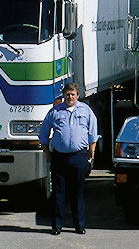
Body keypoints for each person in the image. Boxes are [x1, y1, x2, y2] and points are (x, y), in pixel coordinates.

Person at [38, 82, 98, 235]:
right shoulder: (55, 111)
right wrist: (46, 152)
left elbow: (93, 132)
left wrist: (91, 150)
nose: (70, 97)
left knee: (77, 193)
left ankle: (79, 225)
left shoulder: (86, 110)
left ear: (78, 95)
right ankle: (57, 226)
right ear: (64, 95)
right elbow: (44, 133)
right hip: (59, 158)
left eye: (73, 94)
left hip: (78, 156)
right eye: (67, 94)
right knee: (59, 193)